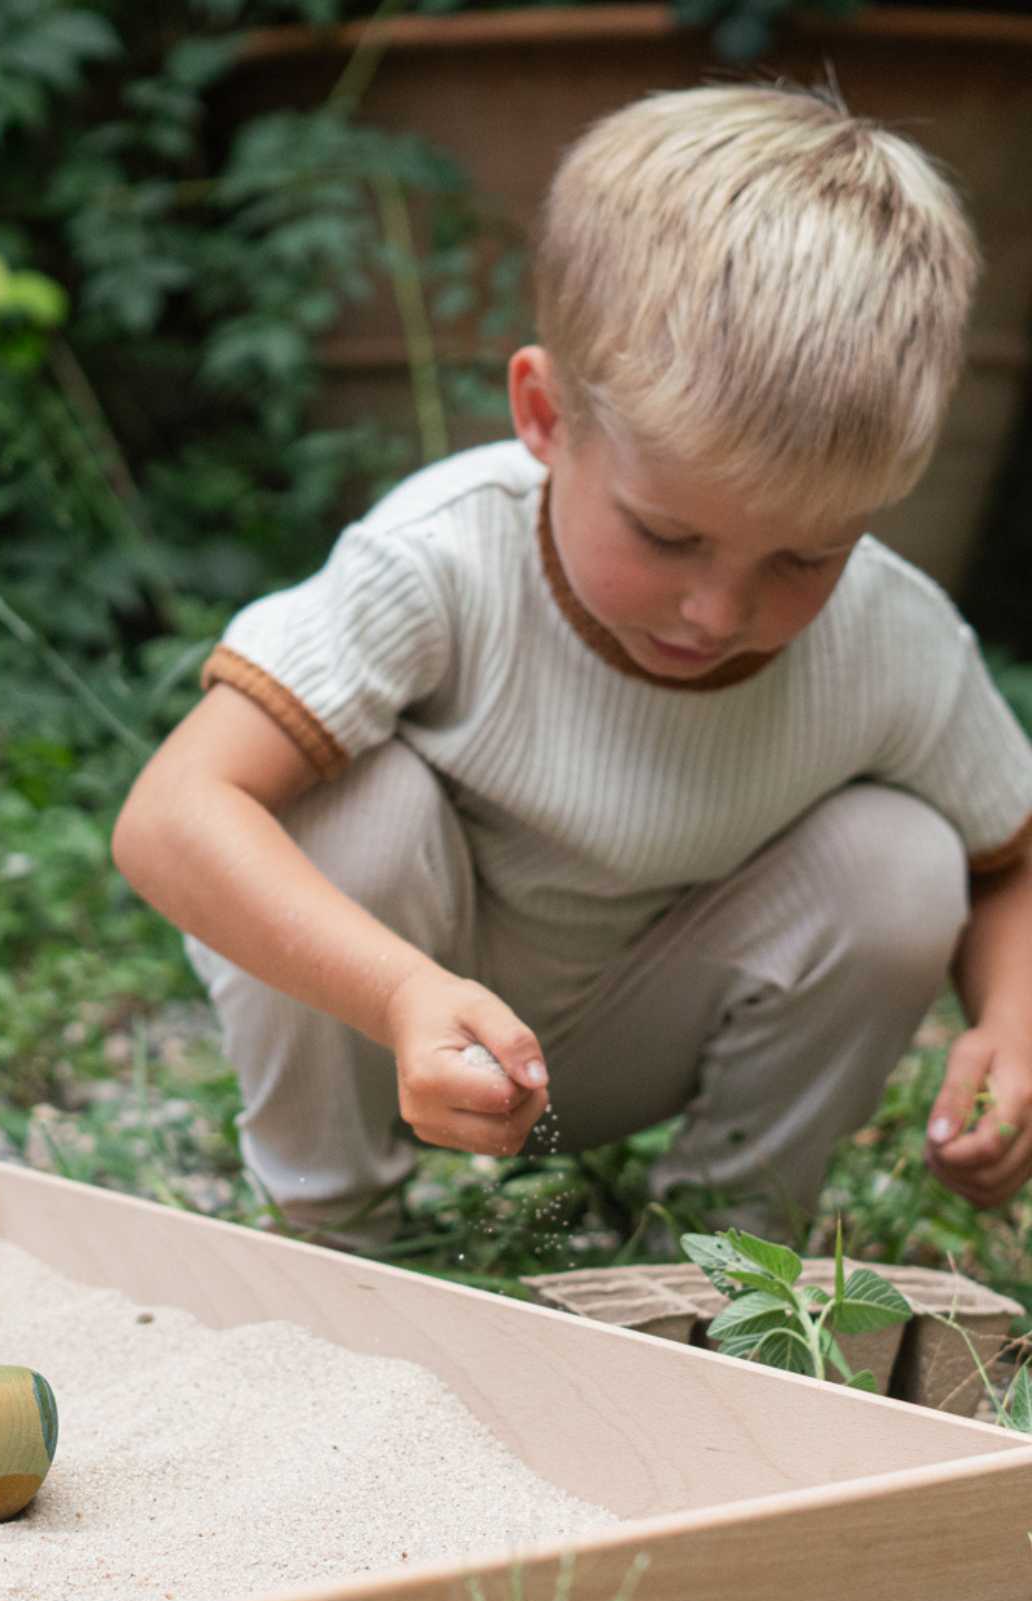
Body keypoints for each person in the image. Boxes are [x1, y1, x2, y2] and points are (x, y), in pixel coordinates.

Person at [112, 81, 1032, 1252]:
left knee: (904, 861)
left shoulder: (889, 636)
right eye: (666, 535)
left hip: (628, 1031)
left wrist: (1008, 1021)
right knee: (354, 802)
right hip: (396, 1011)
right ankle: (335, 1224)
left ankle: (722, 1245)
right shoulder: (440, 559)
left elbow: (1009, 860)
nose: (718, 608)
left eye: (803, 555)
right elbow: (169, 815)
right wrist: (397, 994)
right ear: (543, 414)